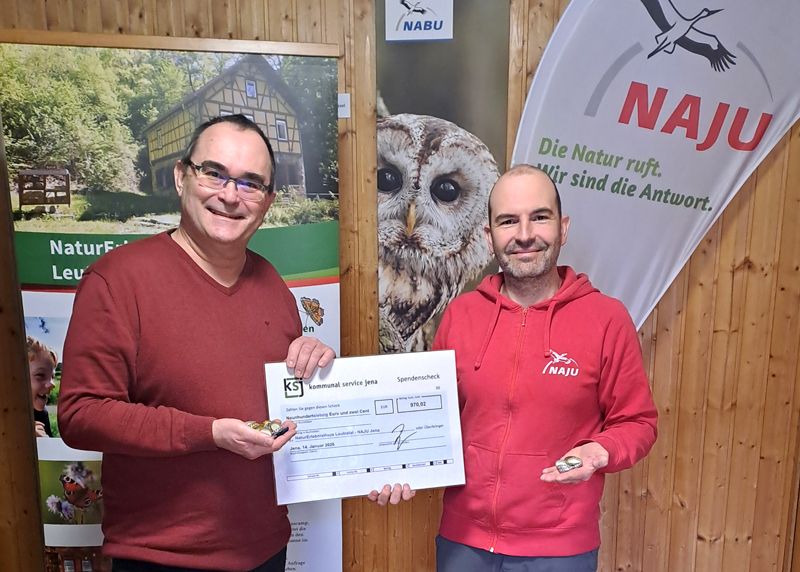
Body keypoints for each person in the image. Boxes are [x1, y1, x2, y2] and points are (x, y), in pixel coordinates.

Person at [58, 114, 335, 572]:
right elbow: (81, 414)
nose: (230, 195)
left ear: (268, 201)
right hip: (160, 557)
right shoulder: (117, 280)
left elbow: (281, 410)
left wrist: (313, 365)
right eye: (214, 173)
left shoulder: (272, 284)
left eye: (250, 183)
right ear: (181, 176)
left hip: (266, 549)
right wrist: (209, 434)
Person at [371, 164, 658, 571]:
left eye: (539, 217)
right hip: (463, 543)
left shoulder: (606, 319)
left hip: (558, 550)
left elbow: (638, 422)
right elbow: (429, 420)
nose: (524, 234)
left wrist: (600, 451)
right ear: (489, 236)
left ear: (563, 228)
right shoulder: (461, 316)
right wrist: (398, 465)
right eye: (508, 221)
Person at [27, 335, 57, 437]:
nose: (52, 384)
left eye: (52, 377)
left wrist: (44, 441)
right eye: (40, 375)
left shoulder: (42, 414)